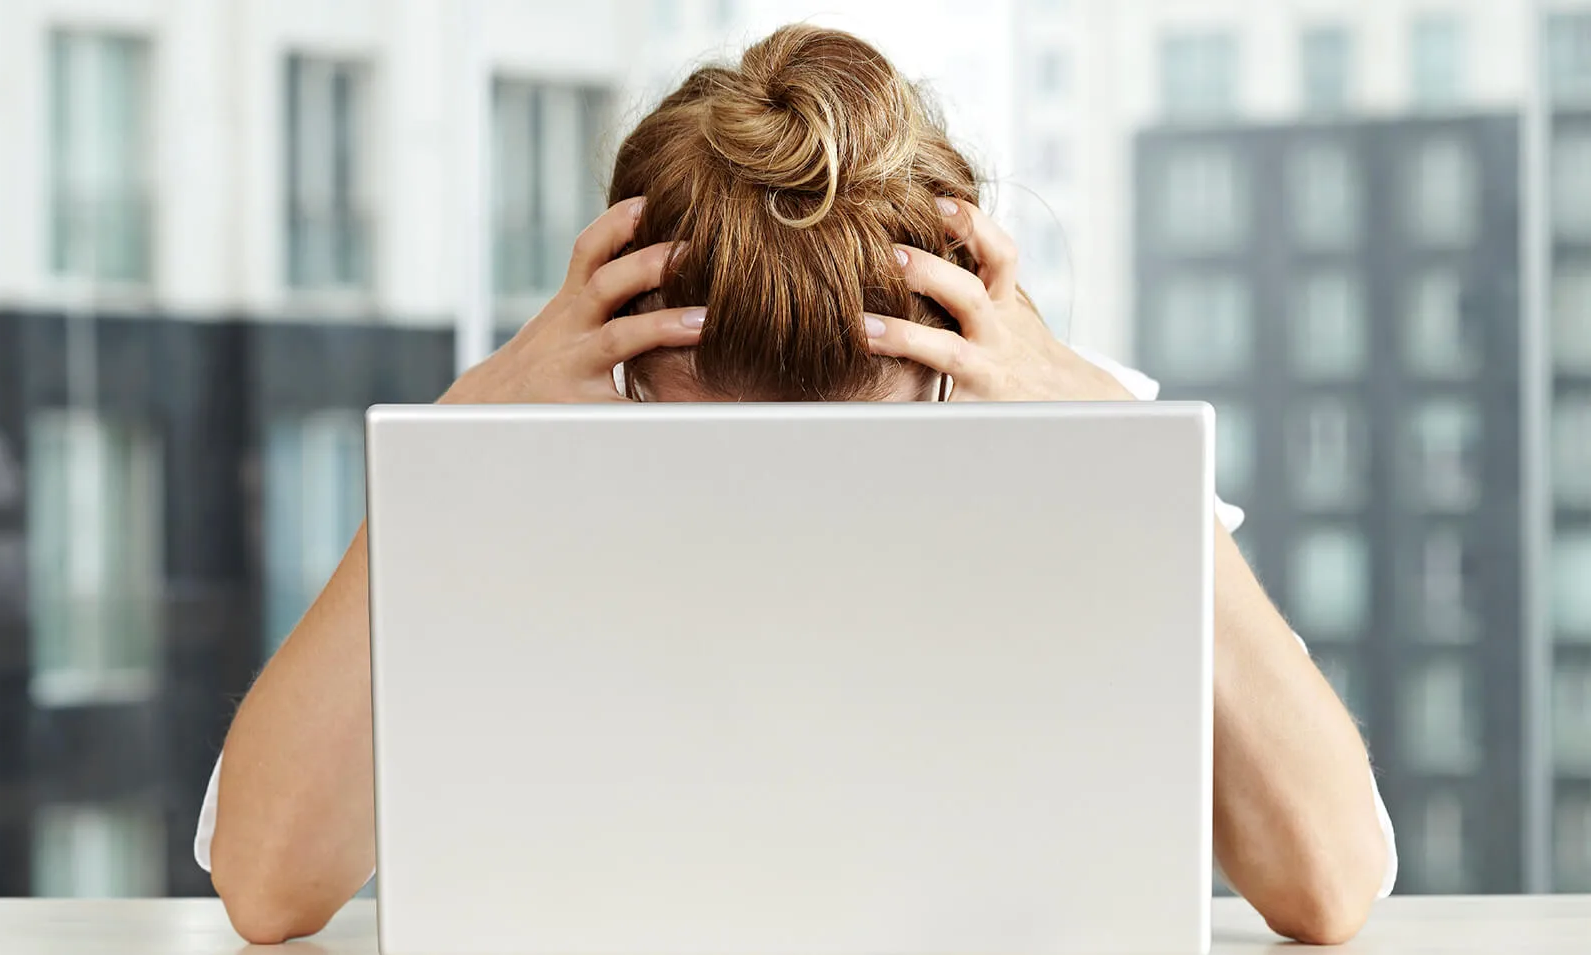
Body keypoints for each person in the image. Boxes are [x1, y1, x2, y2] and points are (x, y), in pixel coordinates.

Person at [202, 24, 1395, 946]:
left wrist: (1123, 450)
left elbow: (1330, 881)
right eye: (711, 448)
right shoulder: (503, 456)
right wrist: (453, 443)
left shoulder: (1075, 440)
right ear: (625, 352)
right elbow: (267, 885)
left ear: (948, 353)